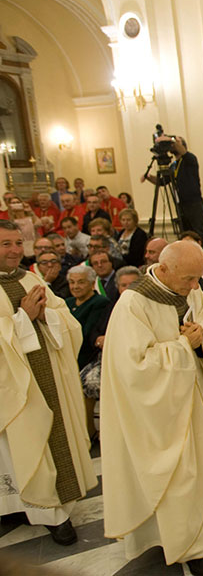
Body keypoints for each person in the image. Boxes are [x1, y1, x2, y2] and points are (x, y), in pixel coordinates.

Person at [100, 241, 203, 575]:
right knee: (174, 477)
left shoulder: (191, 290)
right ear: (164, 268)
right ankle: (171, 541)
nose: (194, 287)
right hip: (156, 414)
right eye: (188, 278)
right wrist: (183, 347)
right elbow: (133, 367)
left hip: (193, 401)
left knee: (199, 470)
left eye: (197, 279)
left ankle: (198, 541)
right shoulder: (133, 304)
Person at [0, 219, 97, 546]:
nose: (15, 250)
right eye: (5, 244)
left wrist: (45, 316)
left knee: (48, 440)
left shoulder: (31, 278)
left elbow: (67, 321)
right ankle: (13, 508)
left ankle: (53, 512)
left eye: (17, 243)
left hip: (48, 379)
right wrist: (22, 319)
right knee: (14, 450)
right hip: (10, 388)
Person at [144, 135, 203, 251]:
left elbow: (181, 150)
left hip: (193, 203)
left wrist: (169, 139)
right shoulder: (174, 165)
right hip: (180, 204)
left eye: (176, 143)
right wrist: (148, 177)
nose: (172, 145)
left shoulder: (189, 159)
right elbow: (163, 182)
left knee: (201, 232)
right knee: (185, 233)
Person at [65, 264, 111, 370]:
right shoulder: (67, 302)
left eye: (81, 282)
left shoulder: (100, 302)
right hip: (68, 354)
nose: (75, 286)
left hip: (86, 358)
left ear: (92, 284)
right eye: (72, 282)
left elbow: (87, 333)